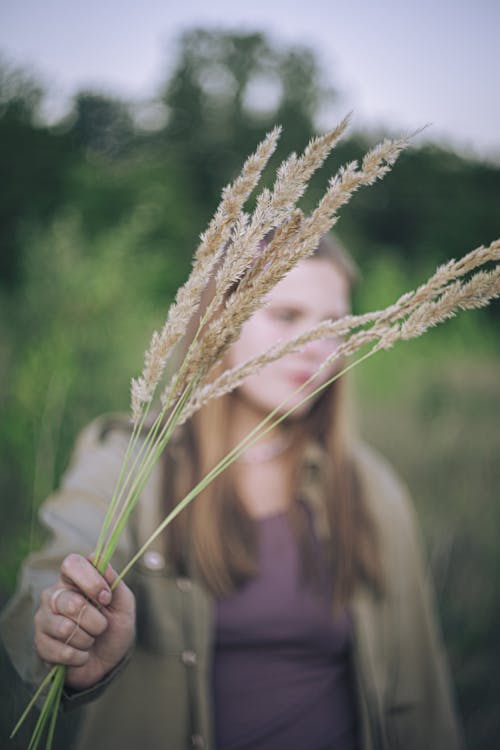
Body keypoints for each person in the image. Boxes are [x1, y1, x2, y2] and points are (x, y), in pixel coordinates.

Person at [1, 234, 463, 750]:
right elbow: (52, 577)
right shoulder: (127, 462)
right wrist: (63, 629)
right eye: (287, 316)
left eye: (336, 324)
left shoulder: (370, 488)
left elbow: (422, 696)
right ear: (222, 323)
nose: (317, 345)